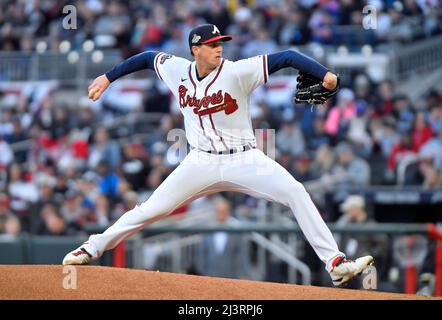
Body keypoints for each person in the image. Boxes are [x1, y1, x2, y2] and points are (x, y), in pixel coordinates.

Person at [63, 24, 373, 287]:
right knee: (150, 210)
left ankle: (334, 263)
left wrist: (325, 75)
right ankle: (92, 247)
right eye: (212, 45)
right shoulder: (177, 71)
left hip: (245, 158)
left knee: (295, 191)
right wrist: (107, 77)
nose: (219, 49)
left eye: (220, 43)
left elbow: (288, 57)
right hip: (201, 161)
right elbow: (146, 58)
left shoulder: (237, 72)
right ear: (195, 49)